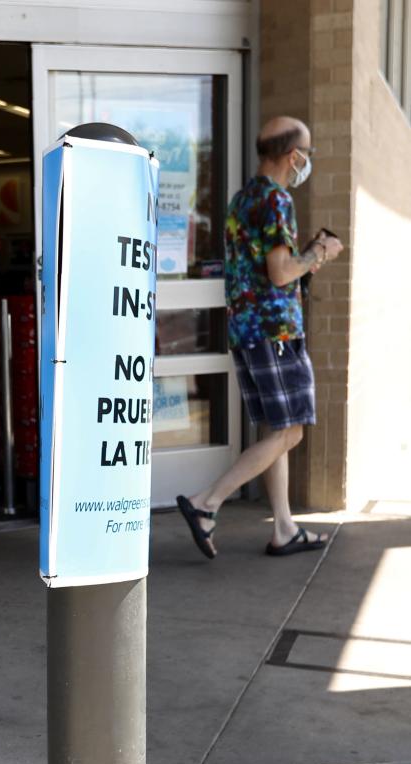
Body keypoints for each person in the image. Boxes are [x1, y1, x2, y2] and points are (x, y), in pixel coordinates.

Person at [176, 116, 343, 559]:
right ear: (294, 156)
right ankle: (205, 503)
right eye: (308, 153)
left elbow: (263, 269)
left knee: (276, 427)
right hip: (277, 331)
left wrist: (303, 258)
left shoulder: (241, 199)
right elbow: (282, 271)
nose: (308, 161)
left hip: (247, 330)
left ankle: (284, 528)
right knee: (290, 432)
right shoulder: (277, 201)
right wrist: (318, 252)